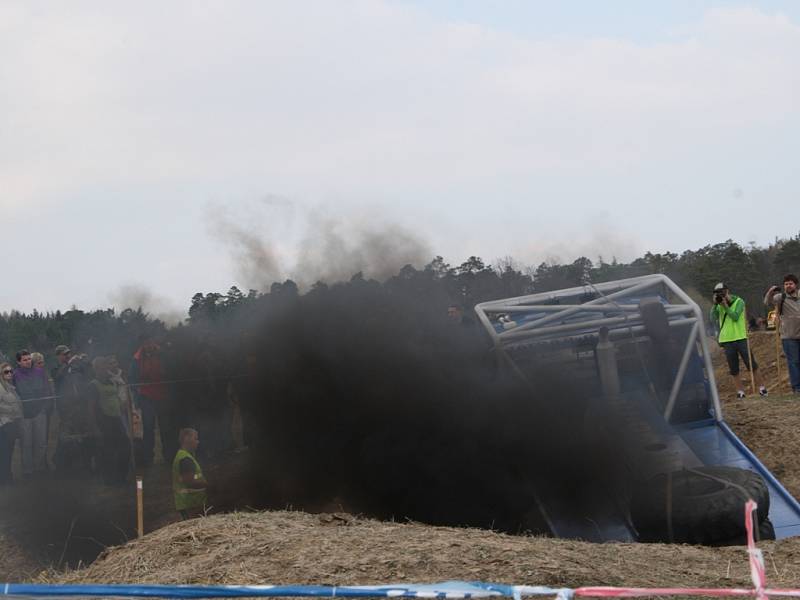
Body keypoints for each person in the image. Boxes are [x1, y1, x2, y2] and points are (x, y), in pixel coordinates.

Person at [709, 283, 767, 398]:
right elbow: (712, 318)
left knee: (751, 364)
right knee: (733, 368)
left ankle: (762, 388)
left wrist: (725, 306)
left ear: (727, 291)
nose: (721, 295)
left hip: (740, 338)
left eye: (722, 292)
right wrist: (715, 305)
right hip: (727, 340)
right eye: (718, 293)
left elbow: (735, 317)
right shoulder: (718, 305)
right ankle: (740, 391)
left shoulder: (739, 301)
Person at [129, 336, 174, 466]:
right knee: (148, 429)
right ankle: (148, 458)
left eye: (151, 342)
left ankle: (169, 456)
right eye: (146, 343)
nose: (149, 345)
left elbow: (170, 371)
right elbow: (132, 378)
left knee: (165, 427)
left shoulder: (163, 354)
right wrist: (137, 394)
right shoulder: (137, 359)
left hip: (162, 396)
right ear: (143, 344)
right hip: (146, 397)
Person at [87, 357, 130, 483]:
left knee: (125, 446)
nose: (105, 369)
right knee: (108, 451)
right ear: (96, 369)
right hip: (103, 420)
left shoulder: (111, 381)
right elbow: (90, 408)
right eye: (101, 367)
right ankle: (110, 478)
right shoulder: (93, 385)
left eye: (106, 366)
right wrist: (94, 427)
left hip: (116, 418)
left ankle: (121, 476)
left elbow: (117, 396)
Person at [52, 347, 94, 474]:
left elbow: (88, 373)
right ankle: (61, 464)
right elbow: (57, 377)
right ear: (58, 356)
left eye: (69, 354)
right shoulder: (55, 368)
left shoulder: (75, 367)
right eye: (64, 354)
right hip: (65, 407)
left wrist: (85, 361)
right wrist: (69, 364)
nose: (68, 356)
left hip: (80, 405)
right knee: (65, 436)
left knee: (83, 433)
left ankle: (83, 464)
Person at [13, 349, 53, 475]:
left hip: (40, 412)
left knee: (41, 442)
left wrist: (45, 407)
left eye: (29, 359)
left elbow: (47, 389)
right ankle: (27, 470)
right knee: (26, 443)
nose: (28, 361)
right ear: (18, 362)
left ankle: (39, 467)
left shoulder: (40, 372)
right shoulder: (14, 375)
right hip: (24, 414)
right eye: (24, 360)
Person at [765, 274, 800, 394]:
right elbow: (768, 303)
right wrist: (770, 292)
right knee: (794, 362)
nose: (788, 286)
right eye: (786, 284)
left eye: (790, 283)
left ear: (796, 285)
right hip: (788, 336)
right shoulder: (781, 297)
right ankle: (797, 388)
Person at [172, 428, 208, 519]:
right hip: (190, 504)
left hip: (189, 504)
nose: (198, 442)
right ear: (187, 439)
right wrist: (208, 484)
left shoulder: (184, 456)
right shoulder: (185, 459)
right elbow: (190, 482)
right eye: (195, 439)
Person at [0, 363, 23, 484]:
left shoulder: (10, 386)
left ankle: (7, 476)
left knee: (9, 452)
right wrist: (12, 409)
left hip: (12, 423)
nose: (9, 373)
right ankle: (4, 479)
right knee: (4, 453)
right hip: (3, 425)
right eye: (6, 372)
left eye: (10, 371)